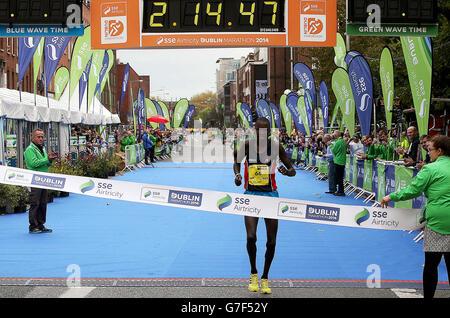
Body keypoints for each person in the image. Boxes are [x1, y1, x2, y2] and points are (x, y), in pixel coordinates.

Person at [380, 135, 450, 299]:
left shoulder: (430, 169)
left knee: (431, 265)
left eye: (430, 149)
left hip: (439, 222)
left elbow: (413, 191)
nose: (428, 152)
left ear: (439, 151)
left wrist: (390, 197)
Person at [234, 117, 296, 294]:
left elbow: (292, 170)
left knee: (271, 241)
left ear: (269, 132)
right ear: (254, 131)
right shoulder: (246, 146)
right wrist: (237, 175)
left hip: (270, 196)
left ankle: (265, 277)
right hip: (251, 195)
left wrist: (287, 171)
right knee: (251, 237)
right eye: (258, 131)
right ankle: (253, 272)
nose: (261, 134)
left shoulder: (276, 147)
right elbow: (236, 163)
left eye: (265, 131)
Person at [24, 128, 58, 234]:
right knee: (35, 202)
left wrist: (50, 160)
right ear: (32, 137)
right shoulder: (29, 150)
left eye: (42, 137)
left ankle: (41, 224)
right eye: (38, 136)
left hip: (43, 179)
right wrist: (47, 159)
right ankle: (33, 225)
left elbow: (45, 164)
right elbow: (34, 163)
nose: (40, 139)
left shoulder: (42, 148)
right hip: (34, 179)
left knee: (43, 203)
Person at [332, 130, 346, 196]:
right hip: (342, 161)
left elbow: (334, 151)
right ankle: (341, 190)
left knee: (338, 177)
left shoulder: (338, 142)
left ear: (335, 136)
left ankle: (340, 191)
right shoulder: (343, 141)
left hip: (338, 161)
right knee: (341, 177)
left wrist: (331, 146)